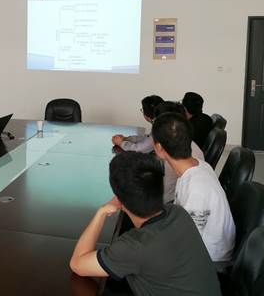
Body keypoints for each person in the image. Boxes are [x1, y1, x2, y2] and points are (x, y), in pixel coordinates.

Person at [69, 152, 221, 295]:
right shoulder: (178, 213)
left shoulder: (134, 246)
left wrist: (101, 213)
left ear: (118, 198)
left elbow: (77, 264)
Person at [152, 112, 235, 263]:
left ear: (159, 148)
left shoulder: (196, 190)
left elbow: (187, 245)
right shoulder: (197, 165)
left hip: (209, 260)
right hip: (196, 243)